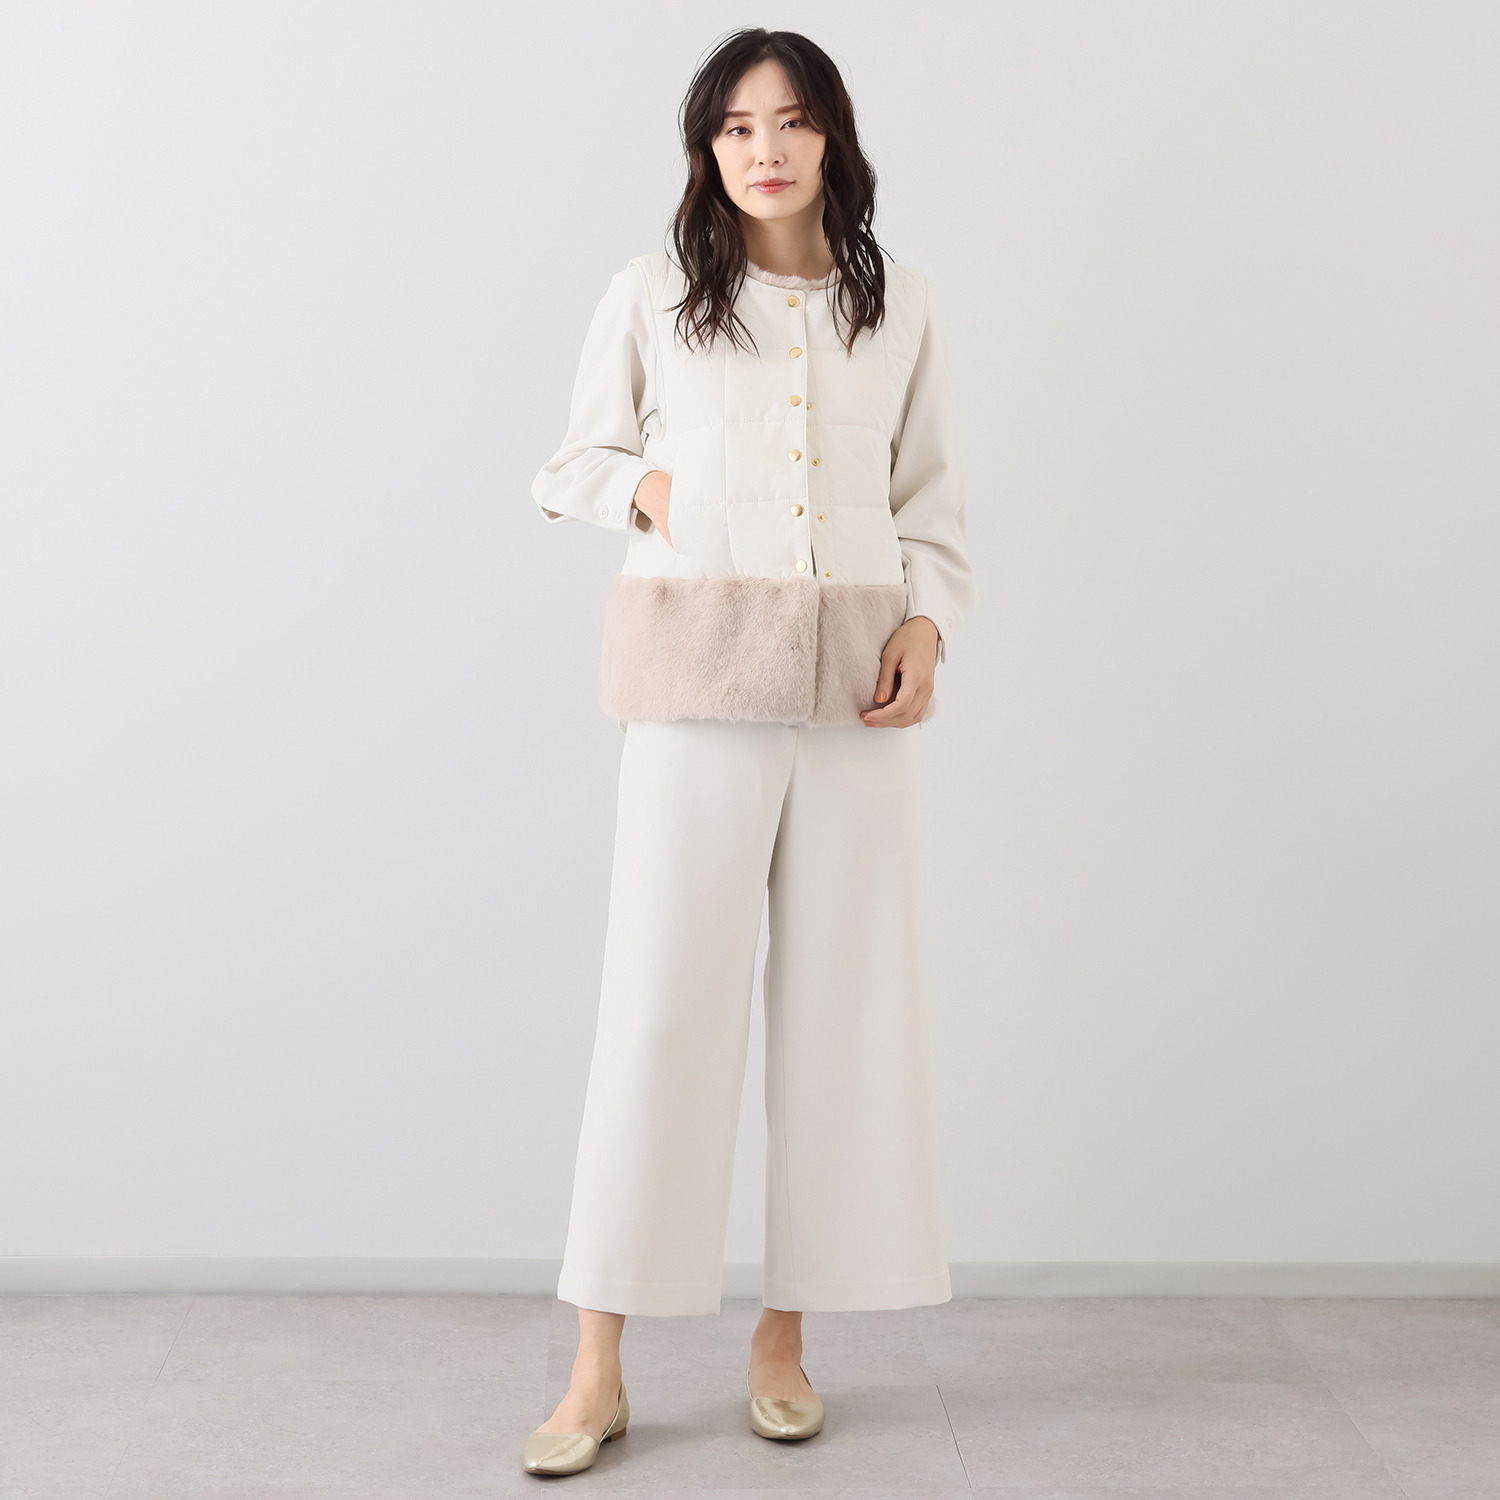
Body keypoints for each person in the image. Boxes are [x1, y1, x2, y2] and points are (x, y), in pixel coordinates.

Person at [521, 26, 977, 1478]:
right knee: (662, 1011)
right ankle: (597, 1368)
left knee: (843, 1018)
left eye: (789, 122)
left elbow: (930, 499)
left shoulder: (898, 302)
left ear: (833, 134)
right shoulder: (653, 292)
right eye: (734, 128)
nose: (763, 150)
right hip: (695, 681)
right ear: (705, 148)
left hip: (857, 696)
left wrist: (929, 625)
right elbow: (571, 466)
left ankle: (783, 1340)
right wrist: (655, 490)